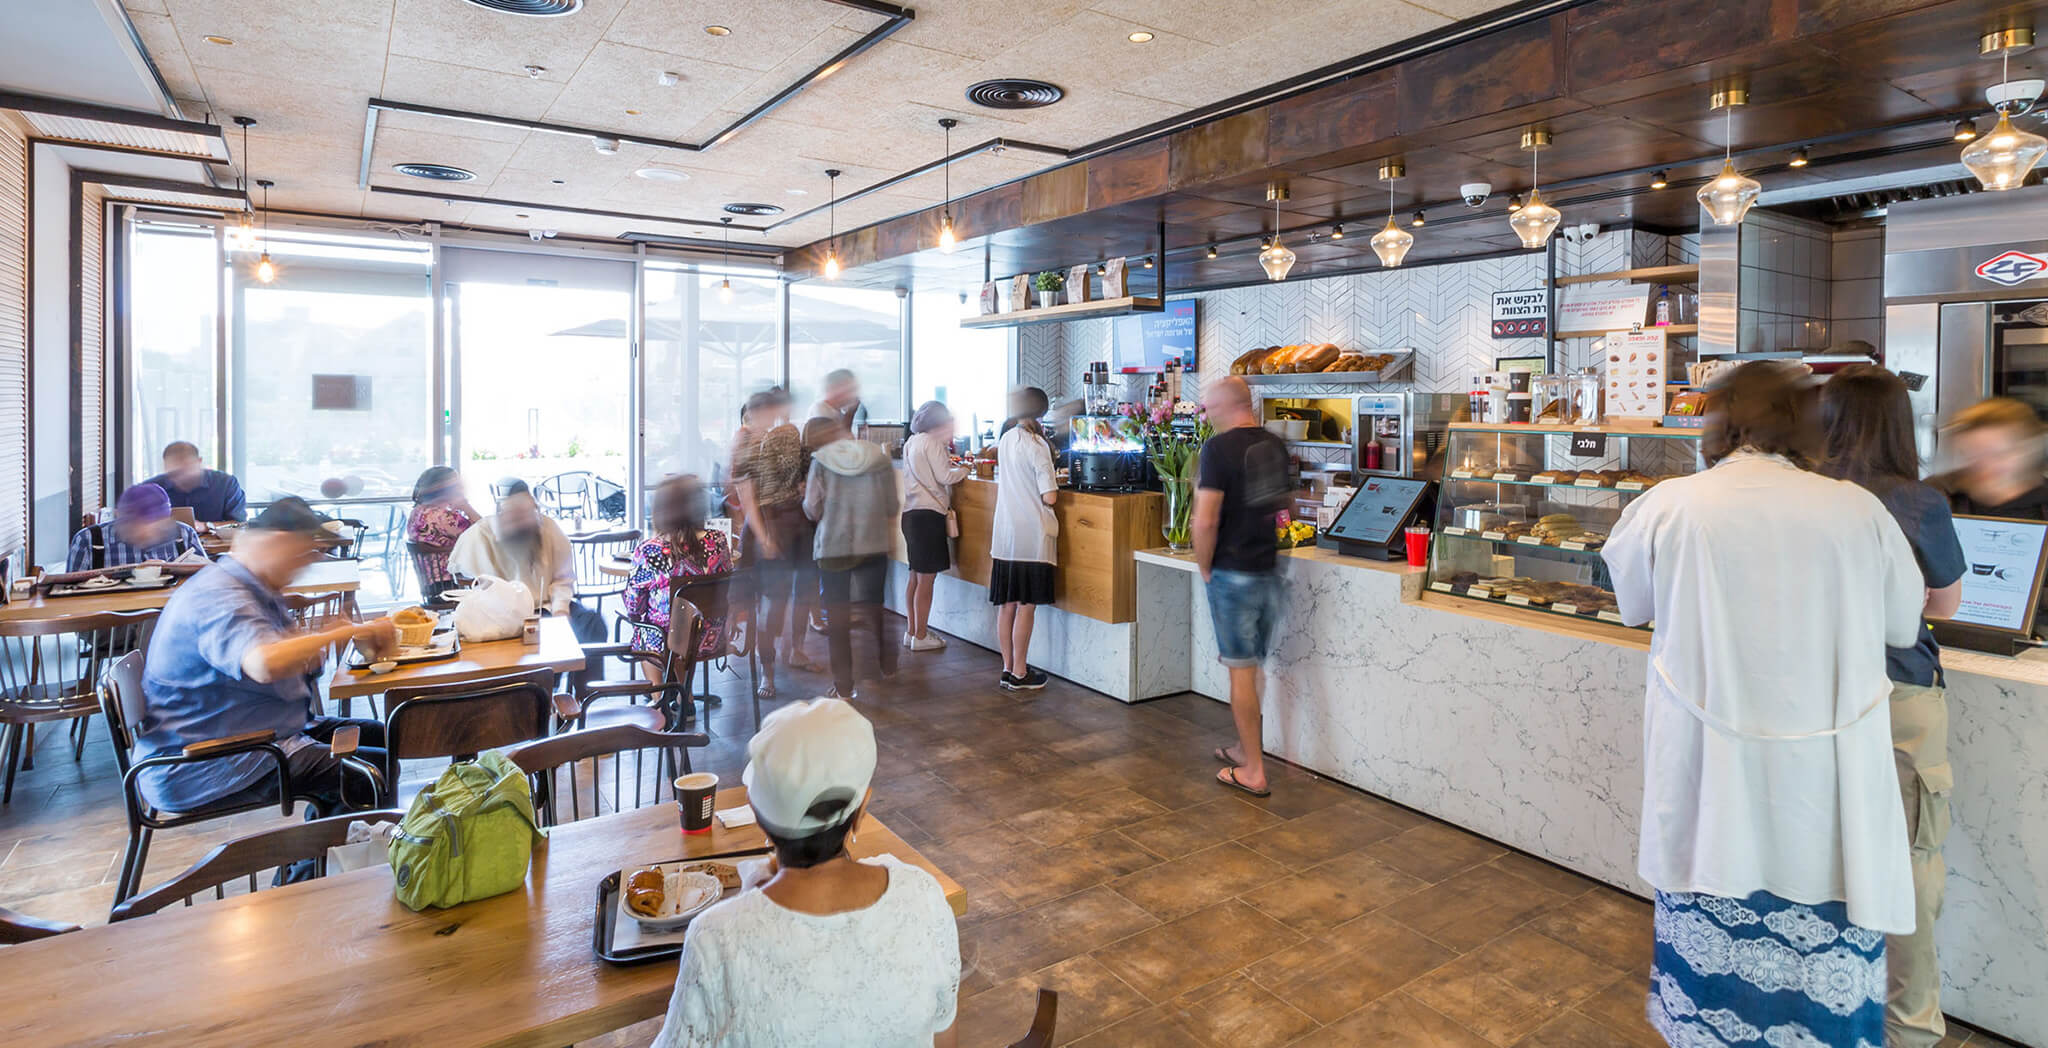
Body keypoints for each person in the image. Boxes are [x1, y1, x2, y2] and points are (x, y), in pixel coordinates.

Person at [1600, 361, 1922, 1048]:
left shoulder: (1671, 504)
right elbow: (1903, 623)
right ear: (1810, 425)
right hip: (1825, 783)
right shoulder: (1855, 509)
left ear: (1719, 421)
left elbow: (1633, 606)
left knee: (1711, 925)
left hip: (1709, 774)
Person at [651, 699, 959, 1047]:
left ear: (757, 816)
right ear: (860, 813)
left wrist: (750, 903)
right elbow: (944, 1037)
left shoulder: (716, 936)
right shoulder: (922, 894)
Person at [1818, 366, 1966, 1048]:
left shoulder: (1806, 497)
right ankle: (1908, 1027)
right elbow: (1944, 605)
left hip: (1816, 695)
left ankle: (1828, 1004)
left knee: (1826, 855)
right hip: (1901, 690)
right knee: (1911, 859)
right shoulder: (1918, 501)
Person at [137, 498, 396, 814]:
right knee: (372, 773)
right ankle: (309, 861)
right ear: (277, 543)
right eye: (299, 557)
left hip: (254, 730)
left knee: (388, 735)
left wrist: (313, 650)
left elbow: (284, 663)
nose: (301, 568)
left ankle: (320, 848)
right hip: (208, 759)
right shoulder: (221, 595)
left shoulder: (250, 585)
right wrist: (339, 633)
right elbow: (263, 663)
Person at [1193, 376, 1293, 798]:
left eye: (1211, 408)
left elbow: (1205, 519)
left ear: (1228, 405)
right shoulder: (1275, 444)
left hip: (1233, 573)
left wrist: (1204, 567)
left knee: (1240, 672)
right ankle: (1244, 747)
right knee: (1253, 668)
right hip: (1269, 569)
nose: (1208, 415)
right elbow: (1282, 508)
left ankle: (1254, 770)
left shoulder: (1217, 449)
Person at [803, 417, 898, 699]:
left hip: (834, 546)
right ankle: (884, 663)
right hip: (873, 542)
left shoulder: (820, 461)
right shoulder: (878, 458)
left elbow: (812, 507)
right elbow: (892, 504)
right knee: (874, 608)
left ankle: (844, 686)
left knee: (837, 618)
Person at [733, 388, 819, 697]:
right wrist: (765, 536)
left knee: (805, 589)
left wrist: (803, 485)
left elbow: (804, 471)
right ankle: (766, 673)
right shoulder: (745, 443)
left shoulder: (790, 433)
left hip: (796, 520)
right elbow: (748, 500)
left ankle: (796, 649)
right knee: (773, 602)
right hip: (768, 523)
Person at [446, 489, 602, 642]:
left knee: (591, 624)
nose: (522, 521)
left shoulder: (547, 528)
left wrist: (561, 610)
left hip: (547, 607)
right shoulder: (482, 534)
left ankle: (575, 666)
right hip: (504, 616)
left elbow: (562, 579)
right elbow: (476, 583)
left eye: (528, 515)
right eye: (515, 516)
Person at [622, 475, 734, 673]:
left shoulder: (649, 550)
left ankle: (659, 699)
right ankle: (683, 697)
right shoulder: (718, 541)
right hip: (711, 637)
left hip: (667, 643)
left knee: (645, 629)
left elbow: (635, 606)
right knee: (674, 628)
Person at [988, 387, 1057, 691]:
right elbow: (1051, 496)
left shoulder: (1005, 439)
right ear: (1042, 411)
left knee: (1007, 604)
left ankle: (1007, 668)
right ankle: (1020, 672)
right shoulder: (1036, 443)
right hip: (1030, 534)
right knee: (1026, 605)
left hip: (1005, 533)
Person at [900, 400, 966, 652]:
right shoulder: (933, 443)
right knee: (927, 580)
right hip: (929, 516)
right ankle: (921, 634)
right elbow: (945, 477)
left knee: (915, 576)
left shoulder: (912, 442)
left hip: (910, 515)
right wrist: (965, 469)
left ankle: (912, 631)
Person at [1933, 396, 2048, 518]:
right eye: (1973, 454)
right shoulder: (1935, 495)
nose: (1984, 464)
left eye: (1999, 455)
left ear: (2030, 451)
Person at [66, 482, 203, 571]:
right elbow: (69, 594)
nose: (150, 532)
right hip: (110, 613)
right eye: (141, 523)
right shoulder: (89, 540)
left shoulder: (184, 534)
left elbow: (206, 581)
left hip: (169, 611)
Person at [404, 466, 480, 601]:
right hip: (450, 582)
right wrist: (466, 507)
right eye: (457, 486)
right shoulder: (445, 517)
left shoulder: (417, 512)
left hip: (430, 582)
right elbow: (484, 532)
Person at [146, 440, 247, 522]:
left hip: (216, 545)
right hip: (167, 545)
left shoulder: (225, 484)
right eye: (174, 472)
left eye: (185, 469)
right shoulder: (151, 488)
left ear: (199, 462)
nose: (180, 477)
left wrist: (206, 526)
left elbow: (239, 523)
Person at [808, 368, 866, 435]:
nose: (852, 395)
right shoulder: (820, 409)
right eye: (849, 389)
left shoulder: (838, 412)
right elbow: (835, 439)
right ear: (834, 387)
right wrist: (850, 414)